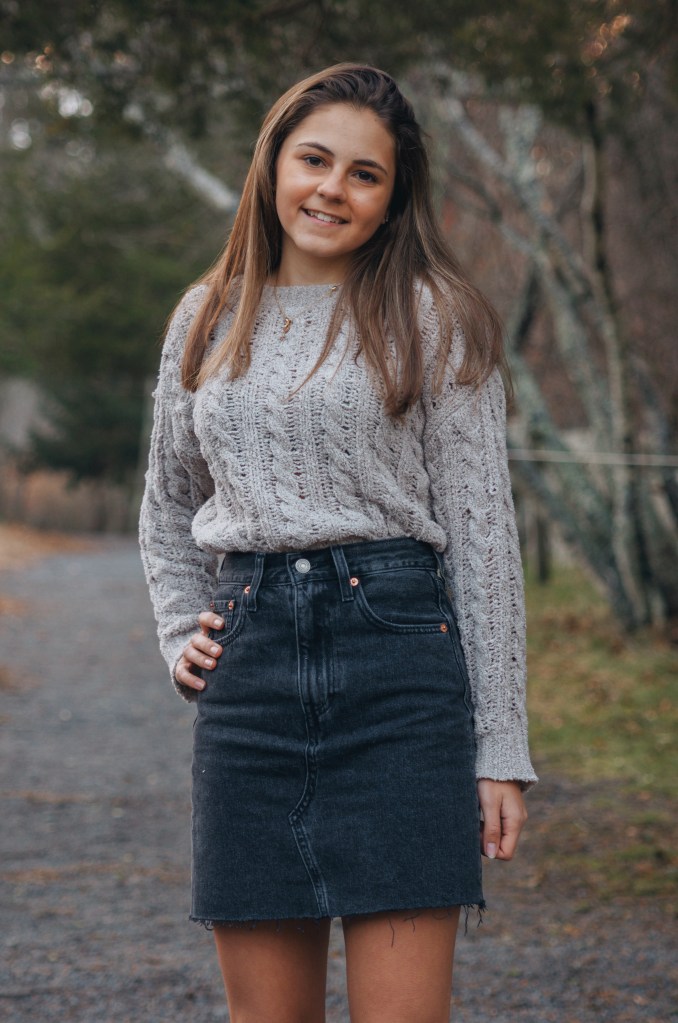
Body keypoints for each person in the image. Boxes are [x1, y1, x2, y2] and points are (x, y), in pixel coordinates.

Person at [139, 62, 537, 1023]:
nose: (332, 188)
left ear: (393, 198)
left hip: (399, 674)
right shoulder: (206, 314)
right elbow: (168, 504)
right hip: (250, 682)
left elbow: (485, 540)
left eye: (365, 174)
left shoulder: (433, 315)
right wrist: (178, 630)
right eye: (314, 160)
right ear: (273, 165)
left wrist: (501, 747)